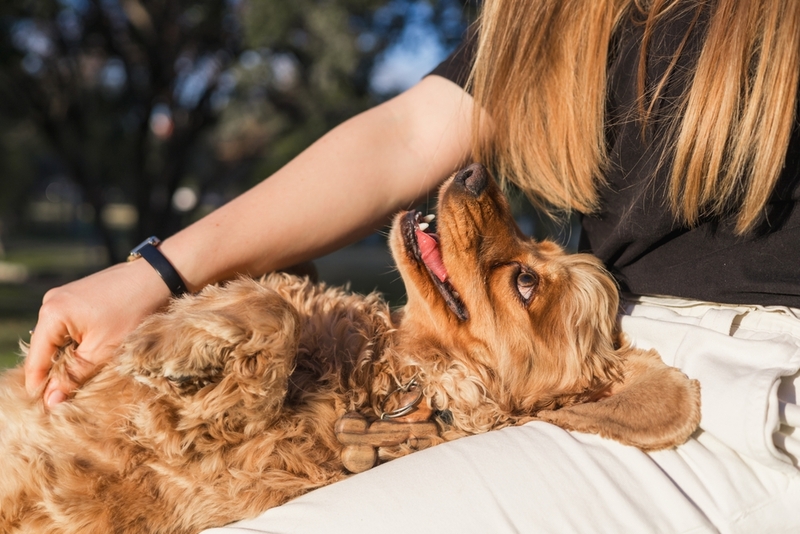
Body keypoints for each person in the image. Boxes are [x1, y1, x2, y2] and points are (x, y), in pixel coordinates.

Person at [26, 0, 800, 532]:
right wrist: (159, 272)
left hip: (744, 397)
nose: (477, 191)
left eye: (521, 274)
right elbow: (414, 134)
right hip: (598, 357)